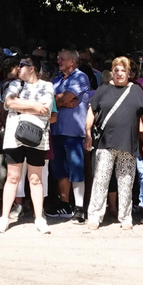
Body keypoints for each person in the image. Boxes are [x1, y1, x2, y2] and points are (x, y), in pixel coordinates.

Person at [84, 56, 143, 231]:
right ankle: (95, 216)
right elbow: (92, 110)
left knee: (126, 182)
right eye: (117, 70)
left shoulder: (136, 90)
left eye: (123, 70)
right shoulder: (103, 89)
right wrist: (88, 132)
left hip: (128, 143)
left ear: (129, 73)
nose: (120, 74)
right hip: (105, 144)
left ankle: (126, 217)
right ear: (112, 72)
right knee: (100, 181)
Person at [0, 54, 54, 234]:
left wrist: (21, 106)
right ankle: (4, 218)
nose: (18, 68)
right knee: (12, 177)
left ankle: (39, 218)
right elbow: (9, 102)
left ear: (32, 68)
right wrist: (34, 107)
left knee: (35, 178)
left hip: (37, 136)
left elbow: (46, 108)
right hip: (13, 136)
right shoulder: (14, 84)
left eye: (22, 65)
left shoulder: (47, 85)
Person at [50, 48, 92, 218]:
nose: (58, 61)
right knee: (60, 170)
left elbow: (65, 99)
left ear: (72, 62)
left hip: (74, 133)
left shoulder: (81, 77)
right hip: (56, 131)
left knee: (76, 170)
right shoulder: (55, 80)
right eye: (58, 58)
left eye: (62, 59)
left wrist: (58, 101)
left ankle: (80, 208)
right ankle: (65, 205)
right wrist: (60, 101)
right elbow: (48, 101)